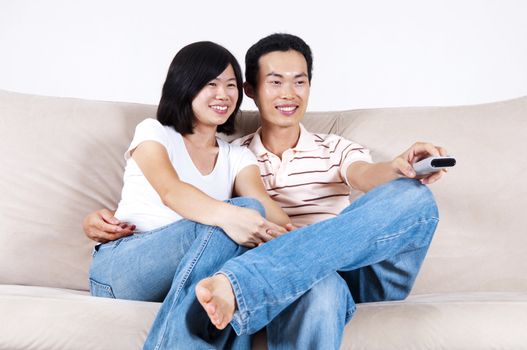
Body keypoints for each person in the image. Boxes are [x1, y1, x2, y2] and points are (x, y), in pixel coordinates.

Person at [84, 34, 447, 349]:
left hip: (343, 265)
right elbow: (178, 193)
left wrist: (398, 169)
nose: (289, 93)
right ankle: (251, 281)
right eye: (275, 82)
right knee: (309, 282)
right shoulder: (203, 143)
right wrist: (242, 217)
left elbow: (363, 176)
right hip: (160, 263)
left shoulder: (325, 148)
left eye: (299, 82)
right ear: (253, 91)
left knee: (413, 197)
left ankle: (243, 282)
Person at [87, 40, 291, 349]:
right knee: (234, 219)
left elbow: (263, 205)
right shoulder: (154, 132)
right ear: (185, 85)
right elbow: (171, 191)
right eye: (211, 83)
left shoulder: (236, 156)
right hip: (122, 269)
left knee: (241, 256)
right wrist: (233, 215)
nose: (223, 94)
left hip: (190, 276)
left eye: (231, 85)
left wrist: (297, 236)